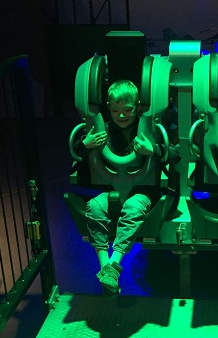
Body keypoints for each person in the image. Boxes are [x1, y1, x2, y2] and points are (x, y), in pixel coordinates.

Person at [72, 79, 179, 295]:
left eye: (127, 110)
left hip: (142, 189)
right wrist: (85, 144)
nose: (121, 115)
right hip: (111, 188)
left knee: (133, 208)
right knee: (94, 207)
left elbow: (176, 154)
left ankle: (115, 262)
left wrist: (153, 150)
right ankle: (106, 266)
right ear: (108, 108)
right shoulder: (102, 131)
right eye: (115, 110)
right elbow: (76, 154)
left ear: (137, 106)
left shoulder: (149, 129)